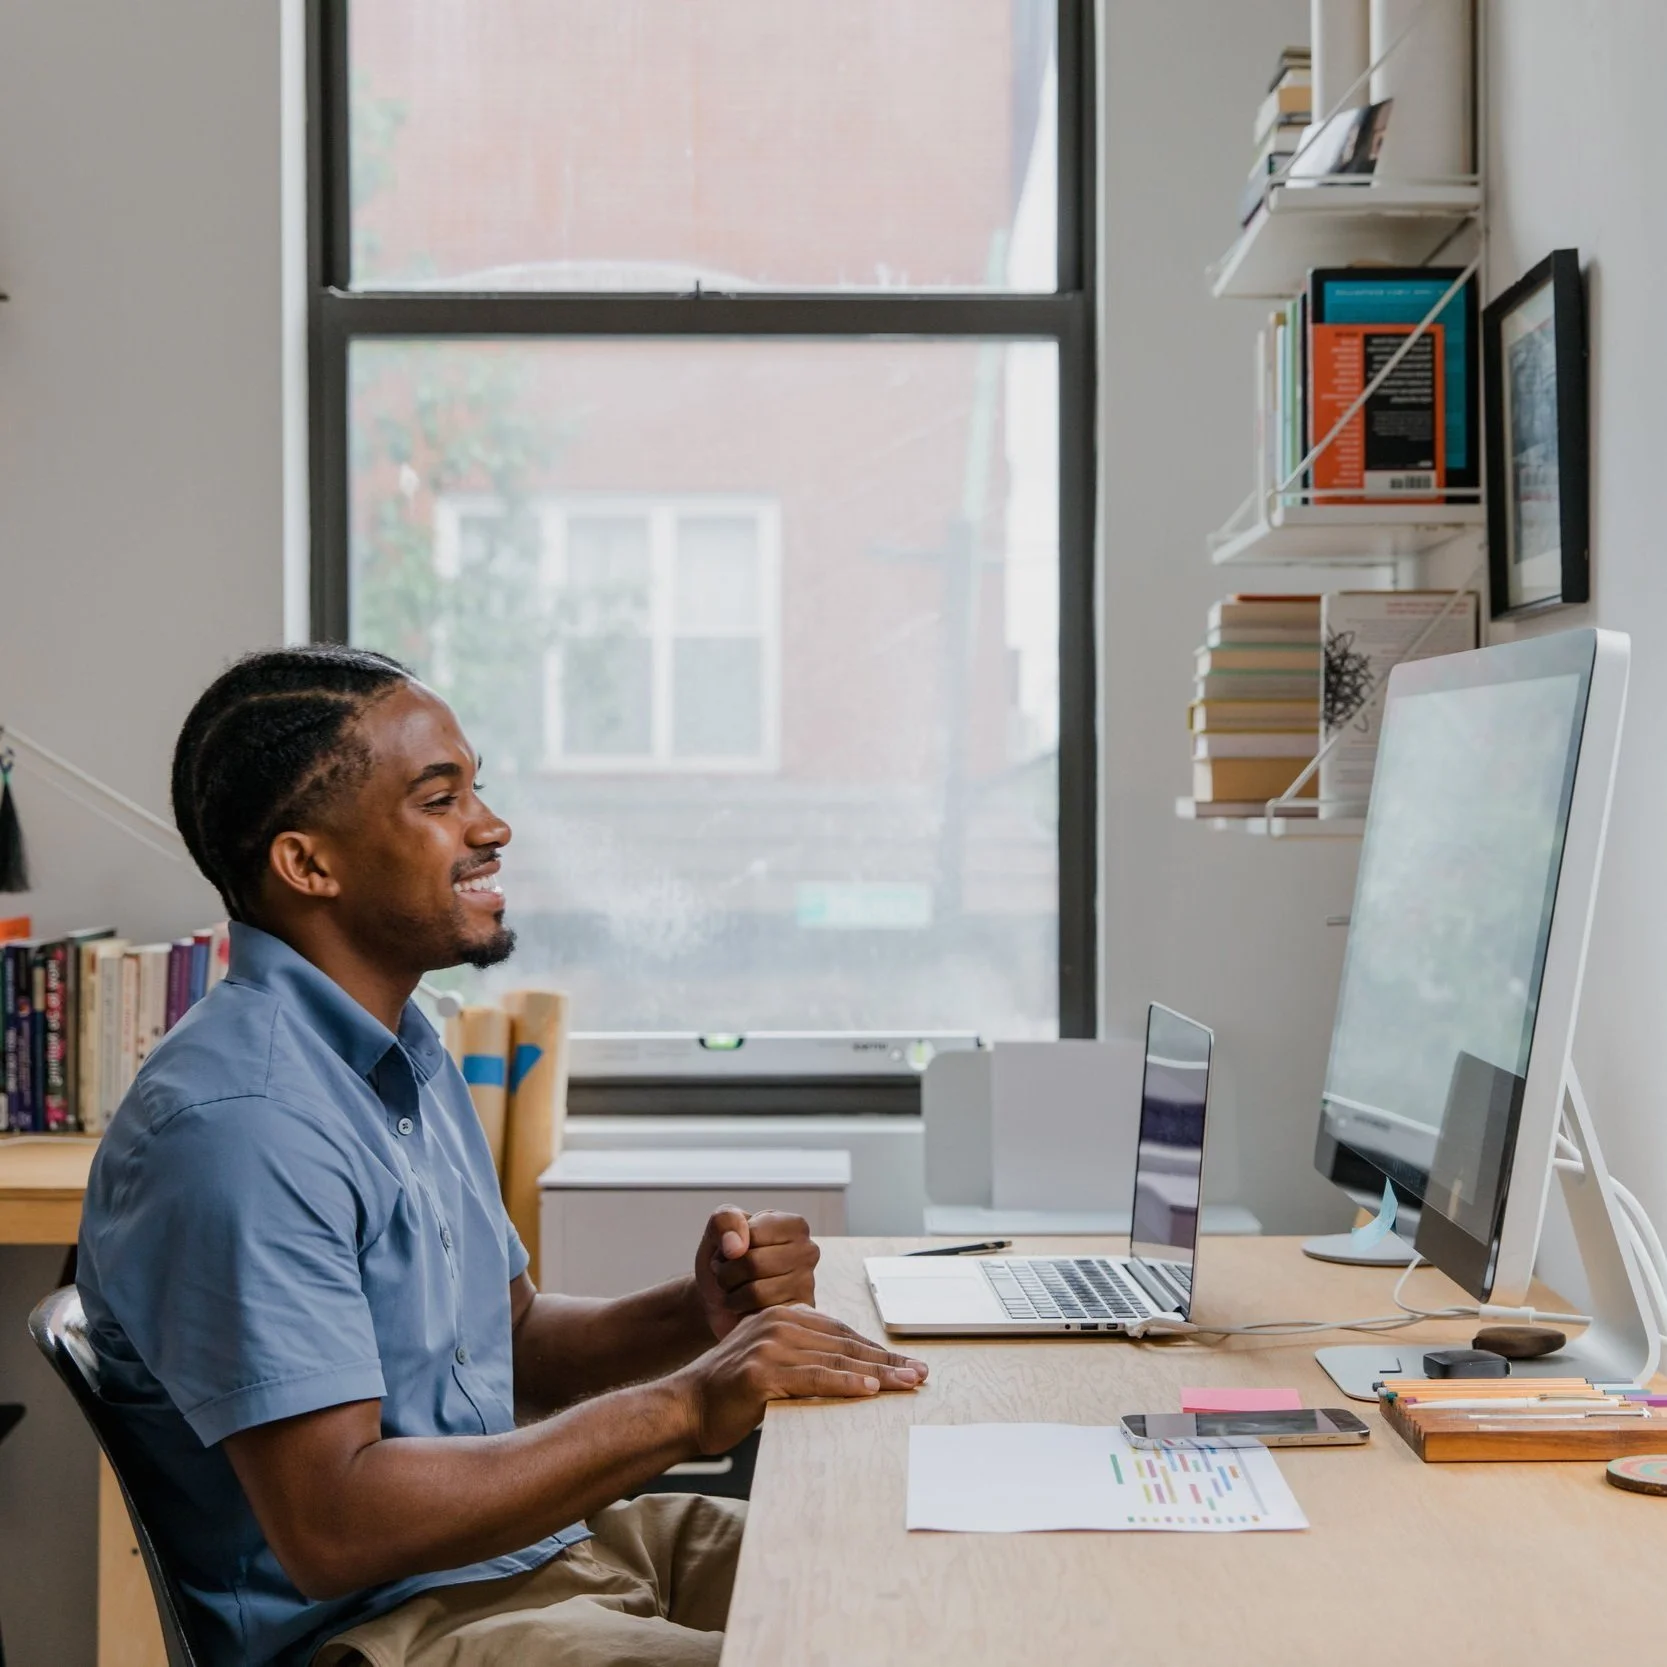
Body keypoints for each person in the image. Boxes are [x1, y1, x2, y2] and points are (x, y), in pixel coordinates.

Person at [77, 646, 927, 1667]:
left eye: (476, 785)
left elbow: (507, 1338)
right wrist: (685, 1402)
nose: (492, 824)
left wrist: (692, 1312)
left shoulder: (403, 1048)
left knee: (927, 1587)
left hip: (539, 1556)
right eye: (440, 798)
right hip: (395, 1627)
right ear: (309, 864)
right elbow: (333, 1523)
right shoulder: (239, 1125)